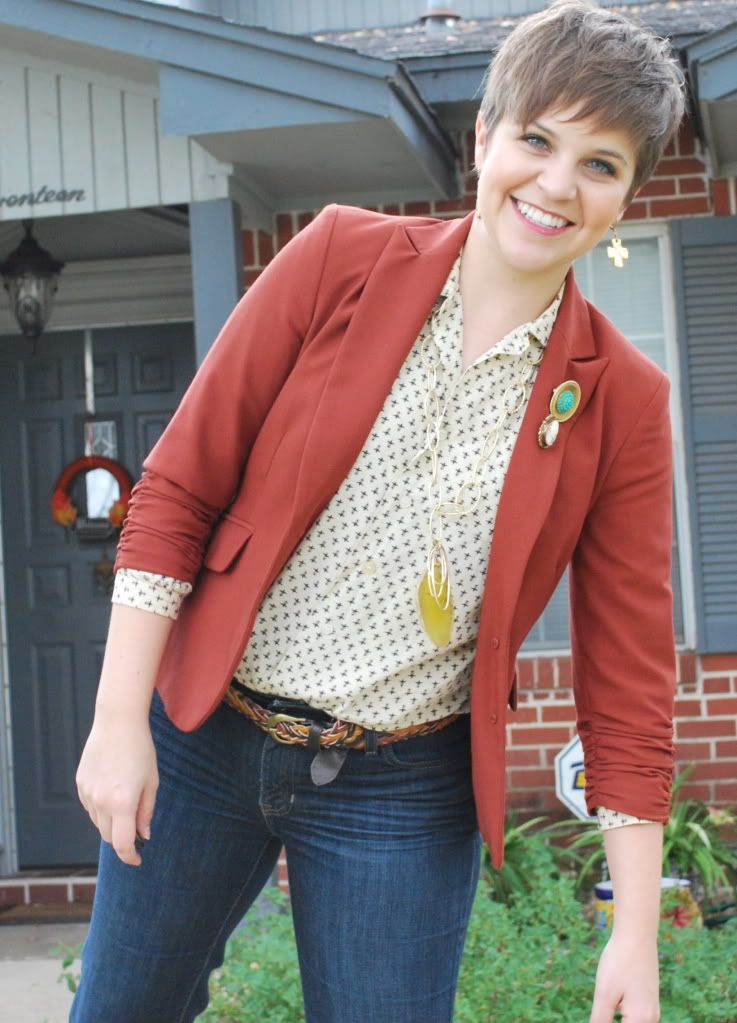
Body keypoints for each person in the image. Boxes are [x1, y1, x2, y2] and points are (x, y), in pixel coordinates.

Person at [71, 1, 686, 1020]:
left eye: (599, 164)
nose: (555, 184)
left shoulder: (621, 398)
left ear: (625, 195)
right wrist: (114, 721)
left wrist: (632, 931)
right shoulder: (336, 258)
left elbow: (627, 675)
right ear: (483, 136)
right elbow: (181, 487)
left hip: (402, 788)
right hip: (203, 734)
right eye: (536, 140)